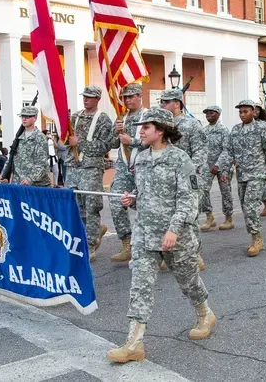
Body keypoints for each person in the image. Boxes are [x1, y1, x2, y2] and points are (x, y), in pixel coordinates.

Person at [109, 107, 215, 364]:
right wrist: (131, 199)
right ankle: (134, 343)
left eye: (146, 127)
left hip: (176, 237)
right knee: (140, 286)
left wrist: (174, 229)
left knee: (188, 282)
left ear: (161, 130)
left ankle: (205, 313)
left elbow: (190, 200)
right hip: (146, 236)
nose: (140, 131)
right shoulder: (141, 158)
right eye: (140, 127)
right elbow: (144, 195)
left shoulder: (180, 160)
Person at [214, 100, 266, 256]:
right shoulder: (236, 130)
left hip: (257, 174)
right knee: (244, 207)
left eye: (246, 112)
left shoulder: (263, 128)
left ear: (253, 111)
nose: (242, 115)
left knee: (250, 206)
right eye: (240, 112)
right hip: (242, 174)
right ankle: (255, 236)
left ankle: (257, 239)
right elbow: (228, 152)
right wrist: (220, 166)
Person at [160, 88, 207, 271]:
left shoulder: (191, 124)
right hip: (167, 180)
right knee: (171, 216)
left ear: (177, 104)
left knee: (190, 217)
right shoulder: (162, 126)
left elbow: (200, 153)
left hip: (189, 178)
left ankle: (196, 254)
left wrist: (187, 174)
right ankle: (173, 254)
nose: (162, 105)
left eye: (166, 102)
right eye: (161, 102)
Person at [66, 86, 113, 261]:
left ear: (97, 99)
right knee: (75, 207)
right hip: (73, 166)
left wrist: (81, 143)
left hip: (91, 168)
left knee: (92, 207)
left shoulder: (103, 120)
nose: (86, 100)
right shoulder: (76, 117)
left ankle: (91, 244)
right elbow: (66, 139)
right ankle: (78, 241)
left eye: (90, 97)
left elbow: (105, 146)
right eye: (84, 96)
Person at [107, 83, 147, 263]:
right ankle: (126, 243)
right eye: (125, 97)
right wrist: (116, 132)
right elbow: (112, 145)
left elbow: (156, 141)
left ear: (140, 96)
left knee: (148, 206)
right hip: (124, 169)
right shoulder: (121, 117)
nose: (127, 100)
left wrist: (133, 141)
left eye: (131, 97)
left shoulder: (149, 116)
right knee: (116, 200)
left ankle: (159, 244)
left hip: (145, 167)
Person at [199, 105, 234, 231]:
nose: (208, 115)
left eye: (211, 113)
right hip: (207, 165)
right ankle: (209, 217)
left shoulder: (223, 130)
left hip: (222, 166)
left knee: (225, 191)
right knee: (202, 189)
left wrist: (218, 164)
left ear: (218, 114)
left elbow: (227, 150)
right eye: (207, 113)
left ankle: (229, 218)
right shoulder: (204, 130)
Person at [8, 106, 51, 187]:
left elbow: (42, 163)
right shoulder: (19, 137)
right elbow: (11, 158)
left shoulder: (39, 137)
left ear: (35, 118)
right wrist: (4, 175)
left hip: (35, 185)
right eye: (22, 116)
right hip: (18, 183)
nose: (24, 119)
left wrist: (30, 179)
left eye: (27, 116)